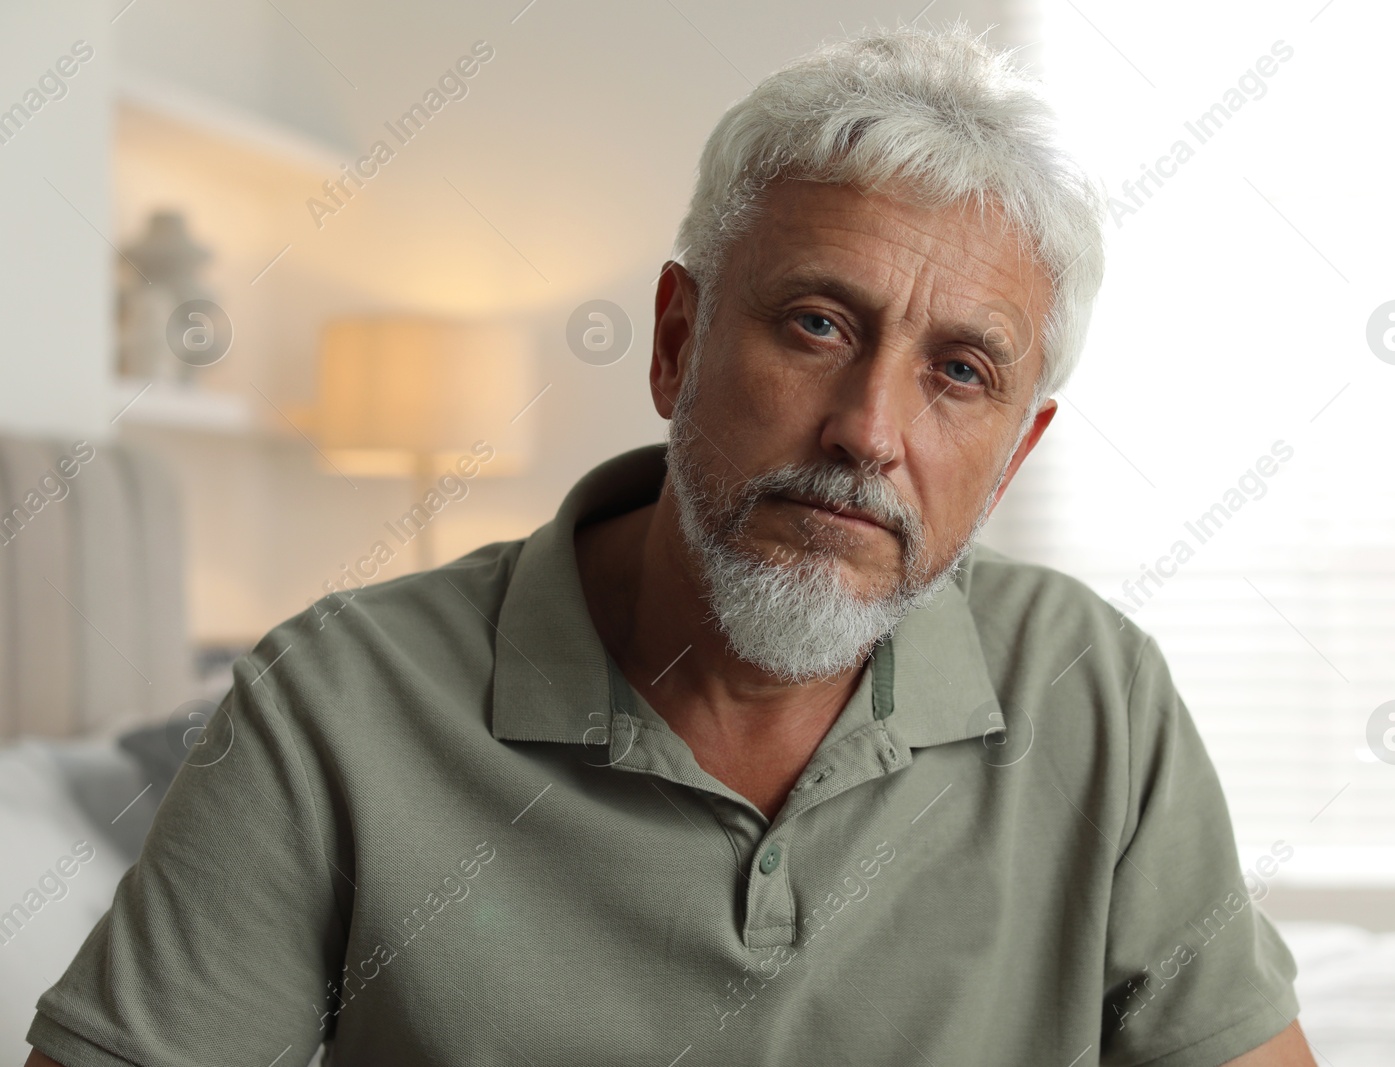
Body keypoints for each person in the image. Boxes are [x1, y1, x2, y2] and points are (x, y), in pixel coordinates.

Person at [26, 21, 1314, 1067]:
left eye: (960, 372)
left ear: (1015, 457)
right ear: (676, 340)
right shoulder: (331, 706)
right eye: (816, 324)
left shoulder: (1094, 691)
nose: (869, 431)